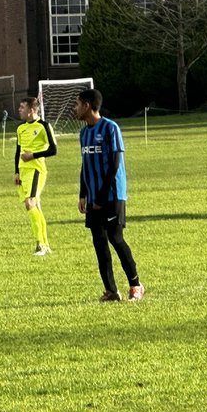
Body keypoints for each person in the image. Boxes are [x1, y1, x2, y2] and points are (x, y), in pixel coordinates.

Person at [76, 88, 144, 303]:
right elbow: (85, 165)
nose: (75, 109)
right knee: (99, 242)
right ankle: (111, 291)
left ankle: (136, 285)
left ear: (87, 105)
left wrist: (102, 196)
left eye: (77, 104)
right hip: (93, 196)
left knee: (116, 238)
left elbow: (115, 163)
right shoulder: (84, 133)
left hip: (113, 195)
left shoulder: (110, 128)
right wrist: (83, 194)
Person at [13, 96, 56, 257]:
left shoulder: (44, 126)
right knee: (35, 206)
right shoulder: (20, 128)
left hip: (36, 169)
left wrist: (33, 155)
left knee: (30, 203)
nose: (19, 110)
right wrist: (16, 171)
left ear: (32, 110)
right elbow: (18, 151)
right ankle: (45, 244)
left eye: (22, 107)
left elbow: (53, 150)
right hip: (23, 171)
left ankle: (40, 245)